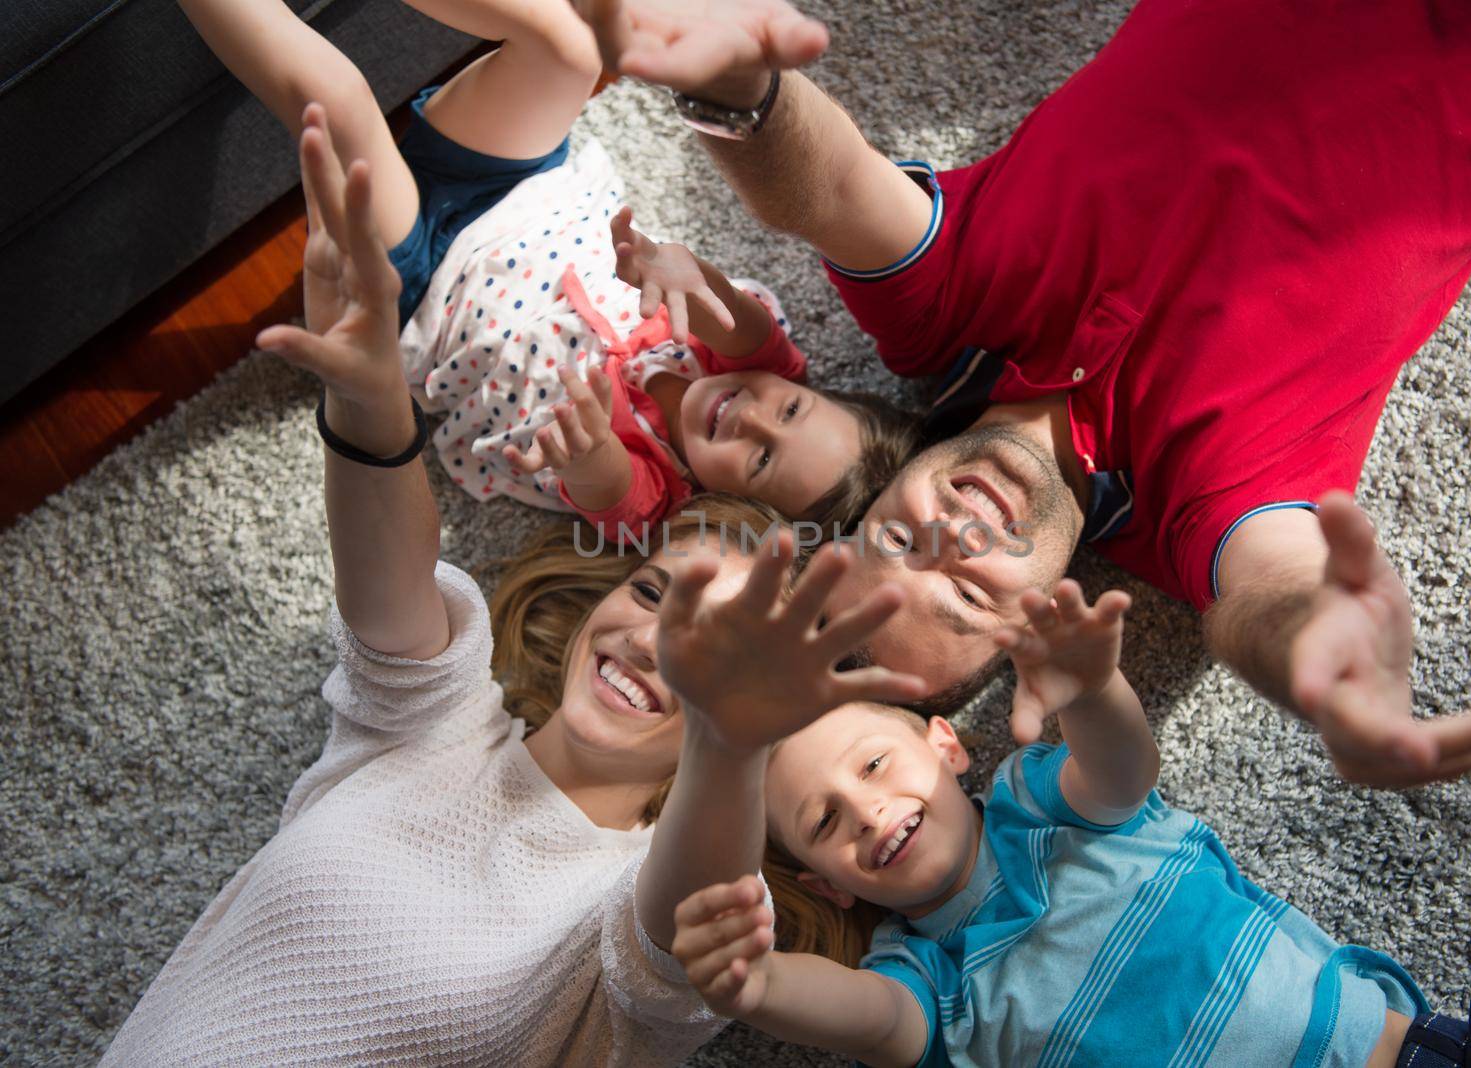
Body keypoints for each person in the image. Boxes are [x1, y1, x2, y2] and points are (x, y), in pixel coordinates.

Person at [573, 0, 1471, 786]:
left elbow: (833, 190)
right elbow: (1270, 592)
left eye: (896, 542)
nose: (952, 541)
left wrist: (740, 97)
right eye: (971, 593)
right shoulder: (1196, 503)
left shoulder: (944, 318)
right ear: (1038, 624)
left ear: (879, 491)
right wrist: (1325, 670)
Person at [99, 105, 927, 1064]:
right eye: (655, 594)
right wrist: (368, 391)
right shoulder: (439, 723)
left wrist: (729, 742)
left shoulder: (635, 907)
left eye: (714, 648)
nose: (655, 641)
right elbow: (389, 597)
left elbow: (682, 919)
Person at [671, 579, 1471, 1068]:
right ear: (832, 884)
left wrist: (1091, 687)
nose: (871, 809)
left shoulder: (1040, 806)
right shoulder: (922, 978)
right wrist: (758, 989)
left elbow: (1123, 770)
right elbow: (870, 1024)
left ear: (948, 746)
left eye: (875, 765)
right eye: (825, 820)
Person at [178, 0, 918, 540]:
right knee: (568, 43)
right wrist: (684, 269)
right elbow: (752, 331)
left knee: (340, 106)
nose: (749, 415)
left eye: (759, 459)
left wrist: (592, 448)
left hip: (422, 296)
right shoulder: (756, 360)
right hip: (519, 189)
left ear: (730, 506)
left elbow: (604, 487)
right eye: (788, 410)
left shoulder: (659, 494)